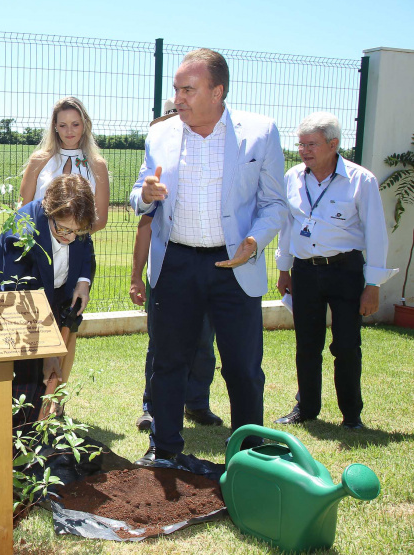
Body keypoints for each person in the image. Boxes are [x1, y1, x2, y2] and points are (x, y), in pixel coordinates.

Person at [130, 48, 288, 466]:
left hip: (234, 266)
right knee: (168, 361)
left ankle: (249, 456)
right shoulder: (160, 134)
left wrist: (253, 241)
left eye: (188, 89)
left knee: (243, 367)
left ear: (217, 91)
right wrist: (143, 196)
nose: (178, 98)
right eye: (177, 90)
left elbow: (275, 204)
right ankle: (163, 449)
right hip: (176, 264)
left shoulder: (260, 132)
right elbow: (139, 193)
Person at [274, 112, 396, 429]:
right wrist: (284, 269)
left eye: (311, 144)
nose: (304, 150)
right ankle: (307, 408)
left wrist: (373, 285)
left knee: (345, 345)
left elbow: (376, 235)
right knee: (307, 345)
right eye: (300, 144)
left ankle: (351, 415)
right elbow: (287, 227)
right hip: (304, 272)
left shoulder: (361, 180)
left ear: (334, 144)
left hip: (346, 271)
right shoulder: (292, 177)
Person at [129, 99, 221, 431]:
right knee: (161, 342)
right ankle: (151, 406)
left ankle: (196, 403)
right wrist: (136, 277)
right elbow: (144, 228)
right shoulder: (158, 171)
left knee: (203, 340)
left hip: (209, 268)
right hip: (166, 272)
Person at [0, 173, 95, 429]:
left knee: (46, 376)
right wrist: (47, 353)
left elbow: (86, 249)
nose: (70, 237)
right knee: (25, 374)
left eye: (78, 231)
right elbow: (20, 297)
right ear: (48, 210)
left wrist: (83, 281)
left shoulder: (74, 223)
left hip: (50, 295)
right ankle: (19, 437)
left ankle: (43, 426)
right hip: (13, 304)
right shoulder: (22, 231)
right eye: (64, 230)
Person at [19, 96, 110, 232]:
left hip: (80, 245)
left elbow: (101, 219)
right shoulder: (38, 161)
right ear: (55, 126)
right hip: (41, 246)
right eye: (63, 125)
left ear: (85, 125)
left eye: (75, 124)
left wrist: (71, 233)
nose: (69, 131)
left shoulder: (98, 165)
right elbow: (23, 210)